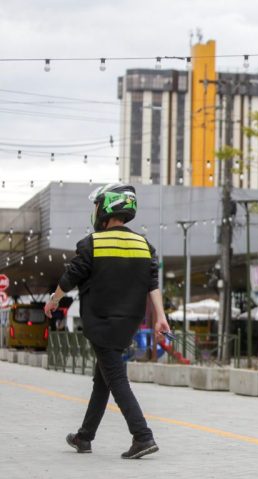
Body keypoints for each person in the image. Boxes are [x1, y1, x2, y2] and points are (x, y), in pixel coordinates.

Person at [44, 184, 170, 459]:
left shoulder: (93, 243)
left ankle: (142, 436)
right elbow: (152, 284)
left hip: (101, 321)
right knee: (102, 379)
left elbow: (71, 276)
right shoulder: (144, 245)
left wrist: (53, 300)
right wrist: (161, 317)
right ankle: (84, 437)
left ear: (105, 208)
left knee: (115, 378)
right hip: (128, 323)